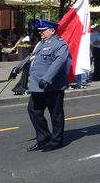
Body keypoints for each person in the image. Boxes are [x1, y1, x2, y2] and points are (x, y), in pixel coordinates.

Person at [24, 21, 71, 152]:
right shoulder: (40, 44)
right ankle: (43, 137)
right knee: (33, 110)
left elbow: (59, 63)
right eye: (40, 30)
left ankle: (56, 141)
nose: (40, 32)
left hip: (52, 86)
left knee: (55, 114)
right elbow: (32, 58)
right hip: (37, 85)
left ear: (52, 30)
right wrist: (17, 68)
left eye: (43, 30)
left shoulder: (60, 44)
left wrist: (47, 78)